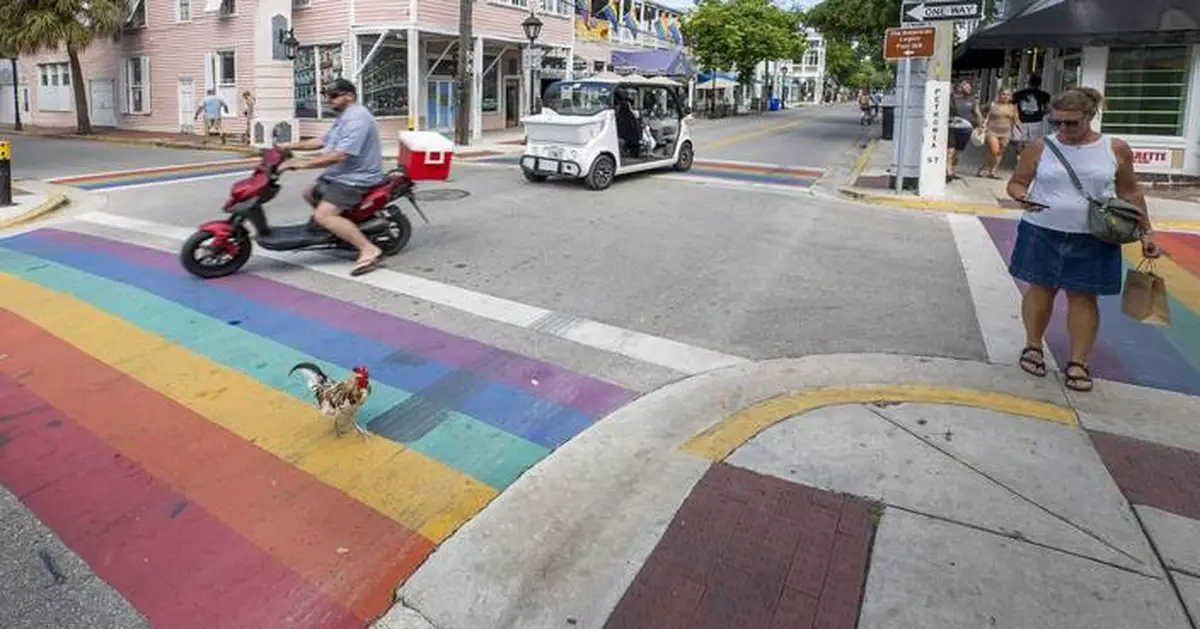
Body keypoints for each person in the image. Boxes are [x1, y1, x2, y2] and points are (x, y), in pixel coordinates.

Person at [1005, 86, 1162, 392]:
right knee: (1040, 290)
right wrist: (1022, 197)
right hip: (1042, 230)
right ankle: (1033, 346)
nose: (1063, 129)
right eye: (1057, 122)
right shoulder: (1040, 147)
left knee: (1083, 297)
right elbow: (1017, 183)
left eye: (1072, 123)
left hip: (1094, 236)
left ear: (1091, 116)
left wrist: (1146, 231)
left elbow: (1130, 192)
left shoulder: (1115, 148)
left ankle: (1078, 361)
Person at [278, 78, 387, 276]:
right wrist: (289, 146)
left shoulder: (358, 118)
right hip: (342, 174)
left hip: (355, 178)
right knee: (309, 192)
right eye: (328, 97)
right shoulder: (345, 116)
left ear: (350, 96)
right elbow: (322, 141)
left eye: (334, 96)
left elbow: (340, 155)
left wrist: (302, 165)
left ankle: (368, 249)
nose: (330, 100)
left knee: (323, 216)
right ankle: (340, 229)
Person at [977, 89, 1021, 179]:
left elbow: (1016, 120)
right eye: (1003, 94)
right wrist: (980, 119)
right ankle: (985, 168)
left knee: (1000, 152)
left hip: (1005, 132)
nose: (1005, 96)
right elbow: (977, 109)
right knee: (994, 150)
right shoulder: (992, 105)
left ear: (1011, 97)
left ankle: (992, 171)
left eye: (1008, 94)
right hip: (991, 131)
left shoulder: (1013, 107)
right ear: (999, 95)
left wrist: (1020, 129)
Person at [947, 80, 982, 182]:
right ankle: (948, 171)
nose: (968, 88)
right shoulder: (951, 98)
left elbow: (977, 113)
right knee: (950, 150)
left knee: (957, 152)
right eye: (965, 86)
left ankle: (952, 170)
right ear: (959, 87)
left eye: (969, 86)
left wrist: (981, 126)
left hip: (966, 129)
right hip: (952, 127)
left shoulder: (972, 100)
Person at [1013, 74, 1052, 153]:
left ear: (1028, 82)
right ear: (1040, 83)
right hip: (1036, 121)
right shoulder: (1044, 95)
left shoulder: (1018, 94)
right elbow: (1048, 109)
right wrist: (1041, 114)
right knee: (1034, 142)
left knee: (1020, 140)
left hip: (1021, 121)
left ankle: (1019, 159)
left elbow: (1013, 108)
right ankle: (1030, 159)